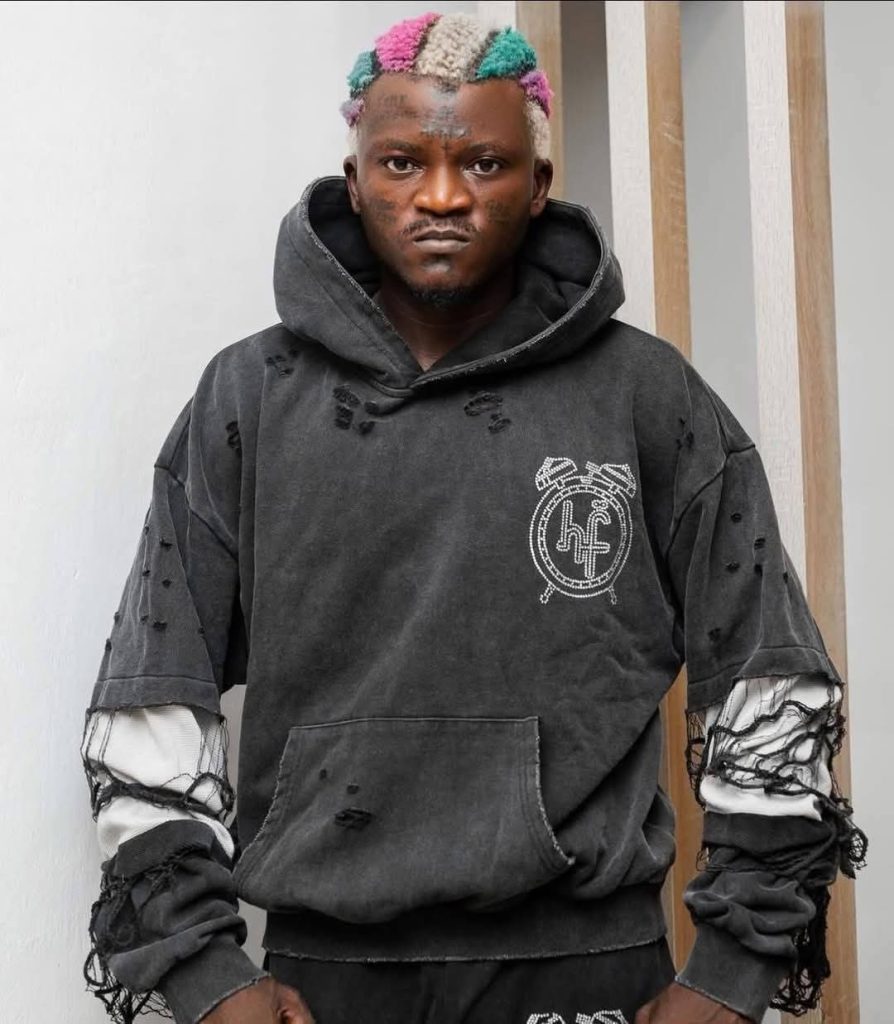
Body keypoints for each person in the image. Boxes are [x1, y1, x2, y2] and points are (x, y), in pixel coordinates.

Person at [79, 11, 865, 1024]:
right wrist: (205, 976)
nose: (443, 196)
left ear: (537, 187)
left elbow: (769, 676)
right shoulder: (249, 397)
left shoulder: (645, 395)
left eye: (484, 163)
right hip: (325, 980)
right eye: (403, 161)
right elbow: (152, 694)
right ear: (355, 180)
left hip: (589, 969)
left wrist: (731, 972)